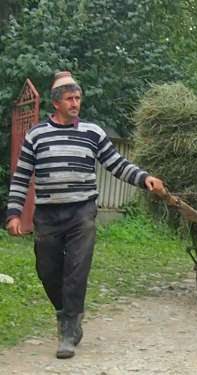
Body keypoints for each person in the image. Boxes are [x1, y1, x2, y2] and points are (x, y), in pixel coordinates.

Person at [5, 71, 165, 359]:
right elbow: (21, 176)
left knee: (76, 271)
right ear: (56, 103)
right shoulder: (36, 135)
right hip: (48, 215)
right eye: (70, 98)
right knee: (47, 271)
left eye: (78, 98)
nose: (76, 103)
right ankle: (65, 313)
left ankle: (68, 328)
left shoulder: (93, 133)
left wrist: (144, 179)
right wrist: (14, 213)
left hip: (81, 212)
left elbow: (117, 164)